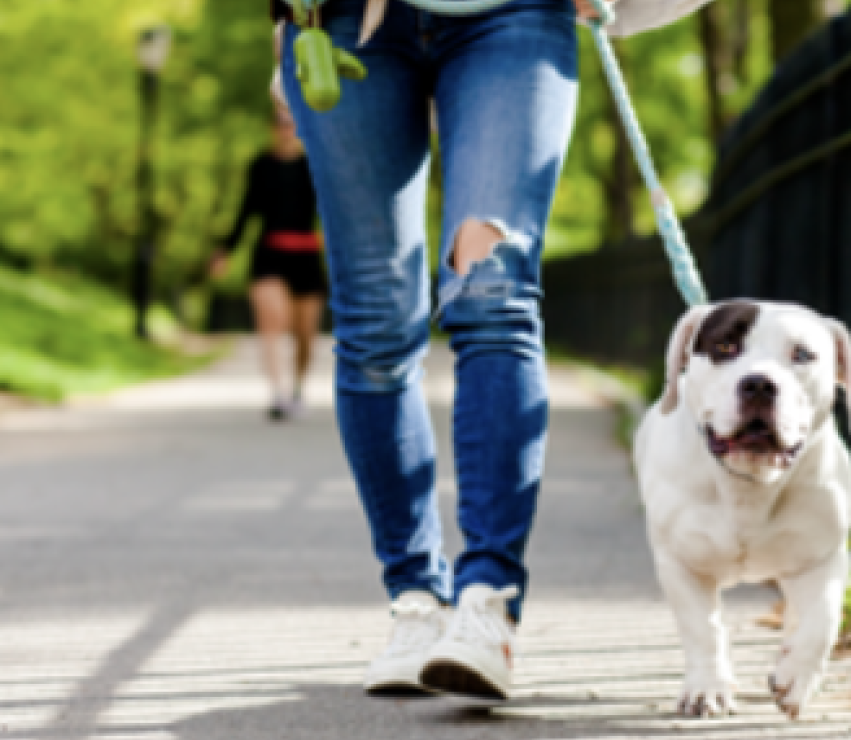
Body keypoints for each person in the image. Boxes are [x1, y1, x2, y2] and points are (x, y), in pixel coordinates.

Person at [267, 0, 710, 705]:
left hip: (510, 16)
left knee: (493, 295)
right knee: (377, 327)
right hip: (345, 22)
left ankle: (487, 601)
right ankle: (414, 600)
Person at [210, 113, 325, 421]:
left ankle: (297, 389)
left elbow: (331, 210)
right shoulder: (260, 165)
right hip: (269, 254)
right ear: (272, 129)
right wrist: (225, 251)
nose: (285, 130)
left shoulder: (315, 165)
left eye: (291, 124)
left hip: (306, 256)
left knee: (305, 335)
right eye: (280, 124)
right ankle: (277, 393)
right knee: (273, 320)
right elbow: (246, 210)